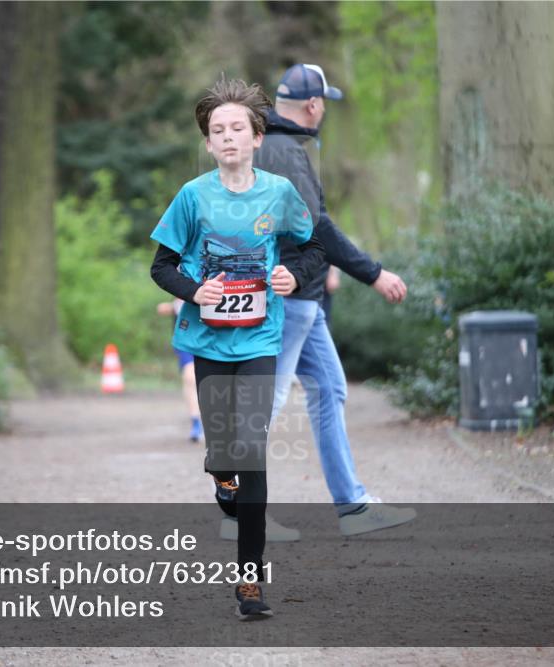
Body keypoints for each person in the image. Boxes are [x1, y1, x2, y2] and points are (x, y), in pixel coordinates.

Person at [149, 77, 325, 620]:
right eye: (217, 130)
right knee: (226, 455)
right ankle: (220, 473)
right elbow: (161, 267)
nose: (228, 138)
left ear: (255, 137)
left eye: (237, 129)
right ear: (208, 143)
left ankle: (250, 583)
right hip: (205, 339)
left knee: (251, 451)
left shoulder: (278, 193)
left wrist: (293, 275)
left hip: (259, 338)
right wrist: (194, 290)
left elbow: (314, 246)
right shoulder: (192, 196)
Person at [252, 63, 417, 536]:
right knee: (265, 405)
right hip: (290, 298)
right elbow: (315, 226)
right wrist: (373, 272)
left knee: (329, 389)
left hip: (302, 300)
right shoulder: (286, 152)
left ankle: (354, 507)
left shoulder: (279, 147)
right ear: (314, 105)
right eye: (325, 103)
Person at [156, 299, 203, 442]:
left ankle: (213, 420)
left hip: (209, 341)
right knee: (190, 377)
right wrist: (173, 306)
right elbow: (162, 308)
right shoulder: (180, 297)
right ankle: (196, 422)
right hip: (185, 343)